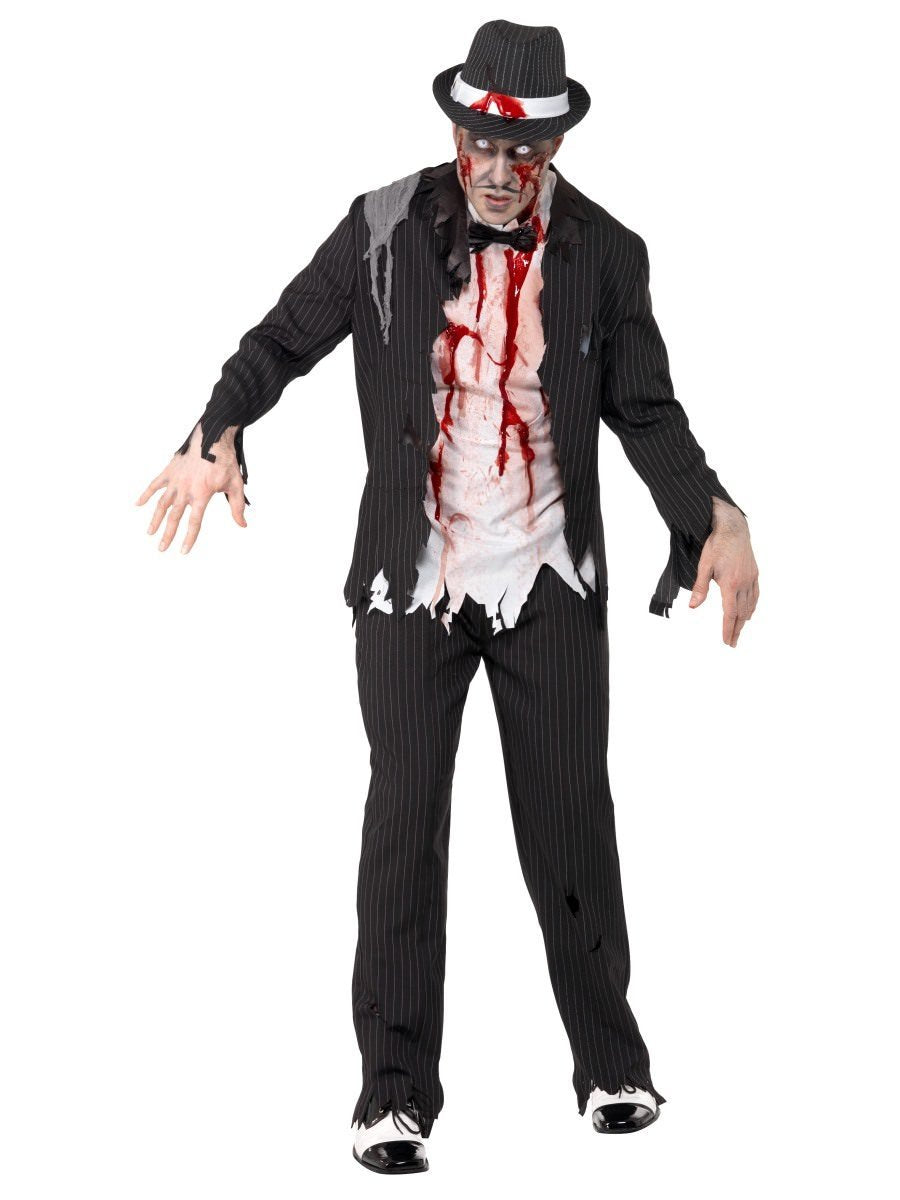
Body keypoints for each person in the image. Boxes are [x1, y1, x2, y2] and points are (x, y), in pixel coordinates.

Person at [136, 20, 759, 1175]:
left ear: (554, 147)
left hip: (549, 577)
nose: (500, 169)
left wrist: (712, 512)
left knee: (572, 818)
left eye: (523, 151)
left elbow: (647, 408)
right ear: (456, 132)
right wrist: (216, 428)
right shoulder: (379, 228)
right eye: (483, 143)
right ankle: (392, 1093)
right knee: (403, 824)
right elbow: (283, 339)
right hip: (409, 578)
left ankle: (611, 1065)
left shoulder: (609, 253)